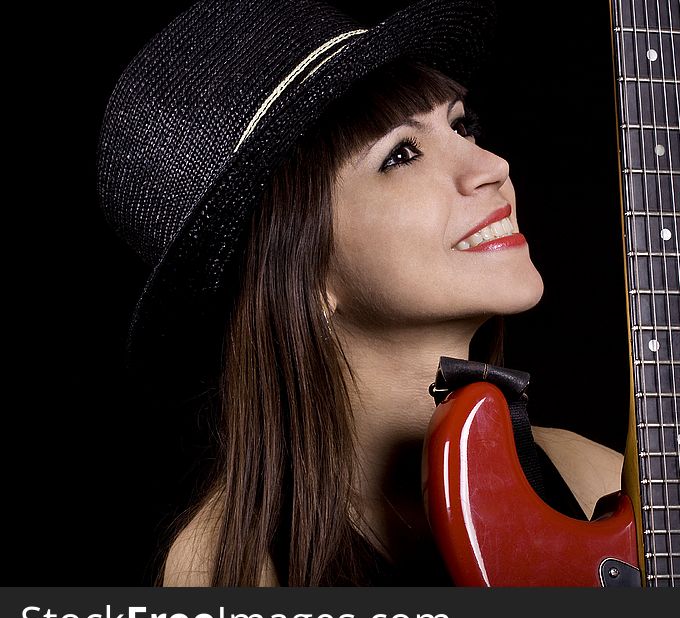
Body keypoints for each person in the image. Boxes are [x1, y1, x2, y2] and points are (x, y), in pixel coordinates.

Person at [97, 0, 623, 586]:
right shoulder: (232, 569)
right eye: (400, 154)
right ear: (301, 270)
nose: (492, 166)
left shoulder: (597, 480)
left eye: (462, 125)